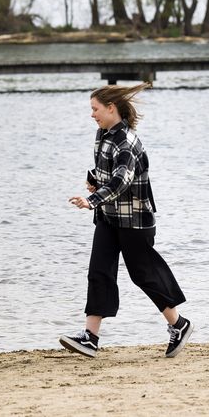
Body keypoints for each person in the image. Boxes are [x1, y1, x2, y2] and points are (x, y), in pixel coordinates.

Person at [61, 82, 193, 358]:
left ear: (111, 108)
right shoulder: (103, 134)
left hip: (135, 221)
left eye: (95, 109)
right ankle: (90, 337)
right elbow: (107, 173)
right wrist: (94, 182)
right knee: (99, 272)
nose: (92, 115)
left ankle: (179, 324)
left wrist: (92, 201)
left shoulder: (127, 141)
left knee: (144, 275)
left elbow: (123, 180)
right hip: (109, 217)